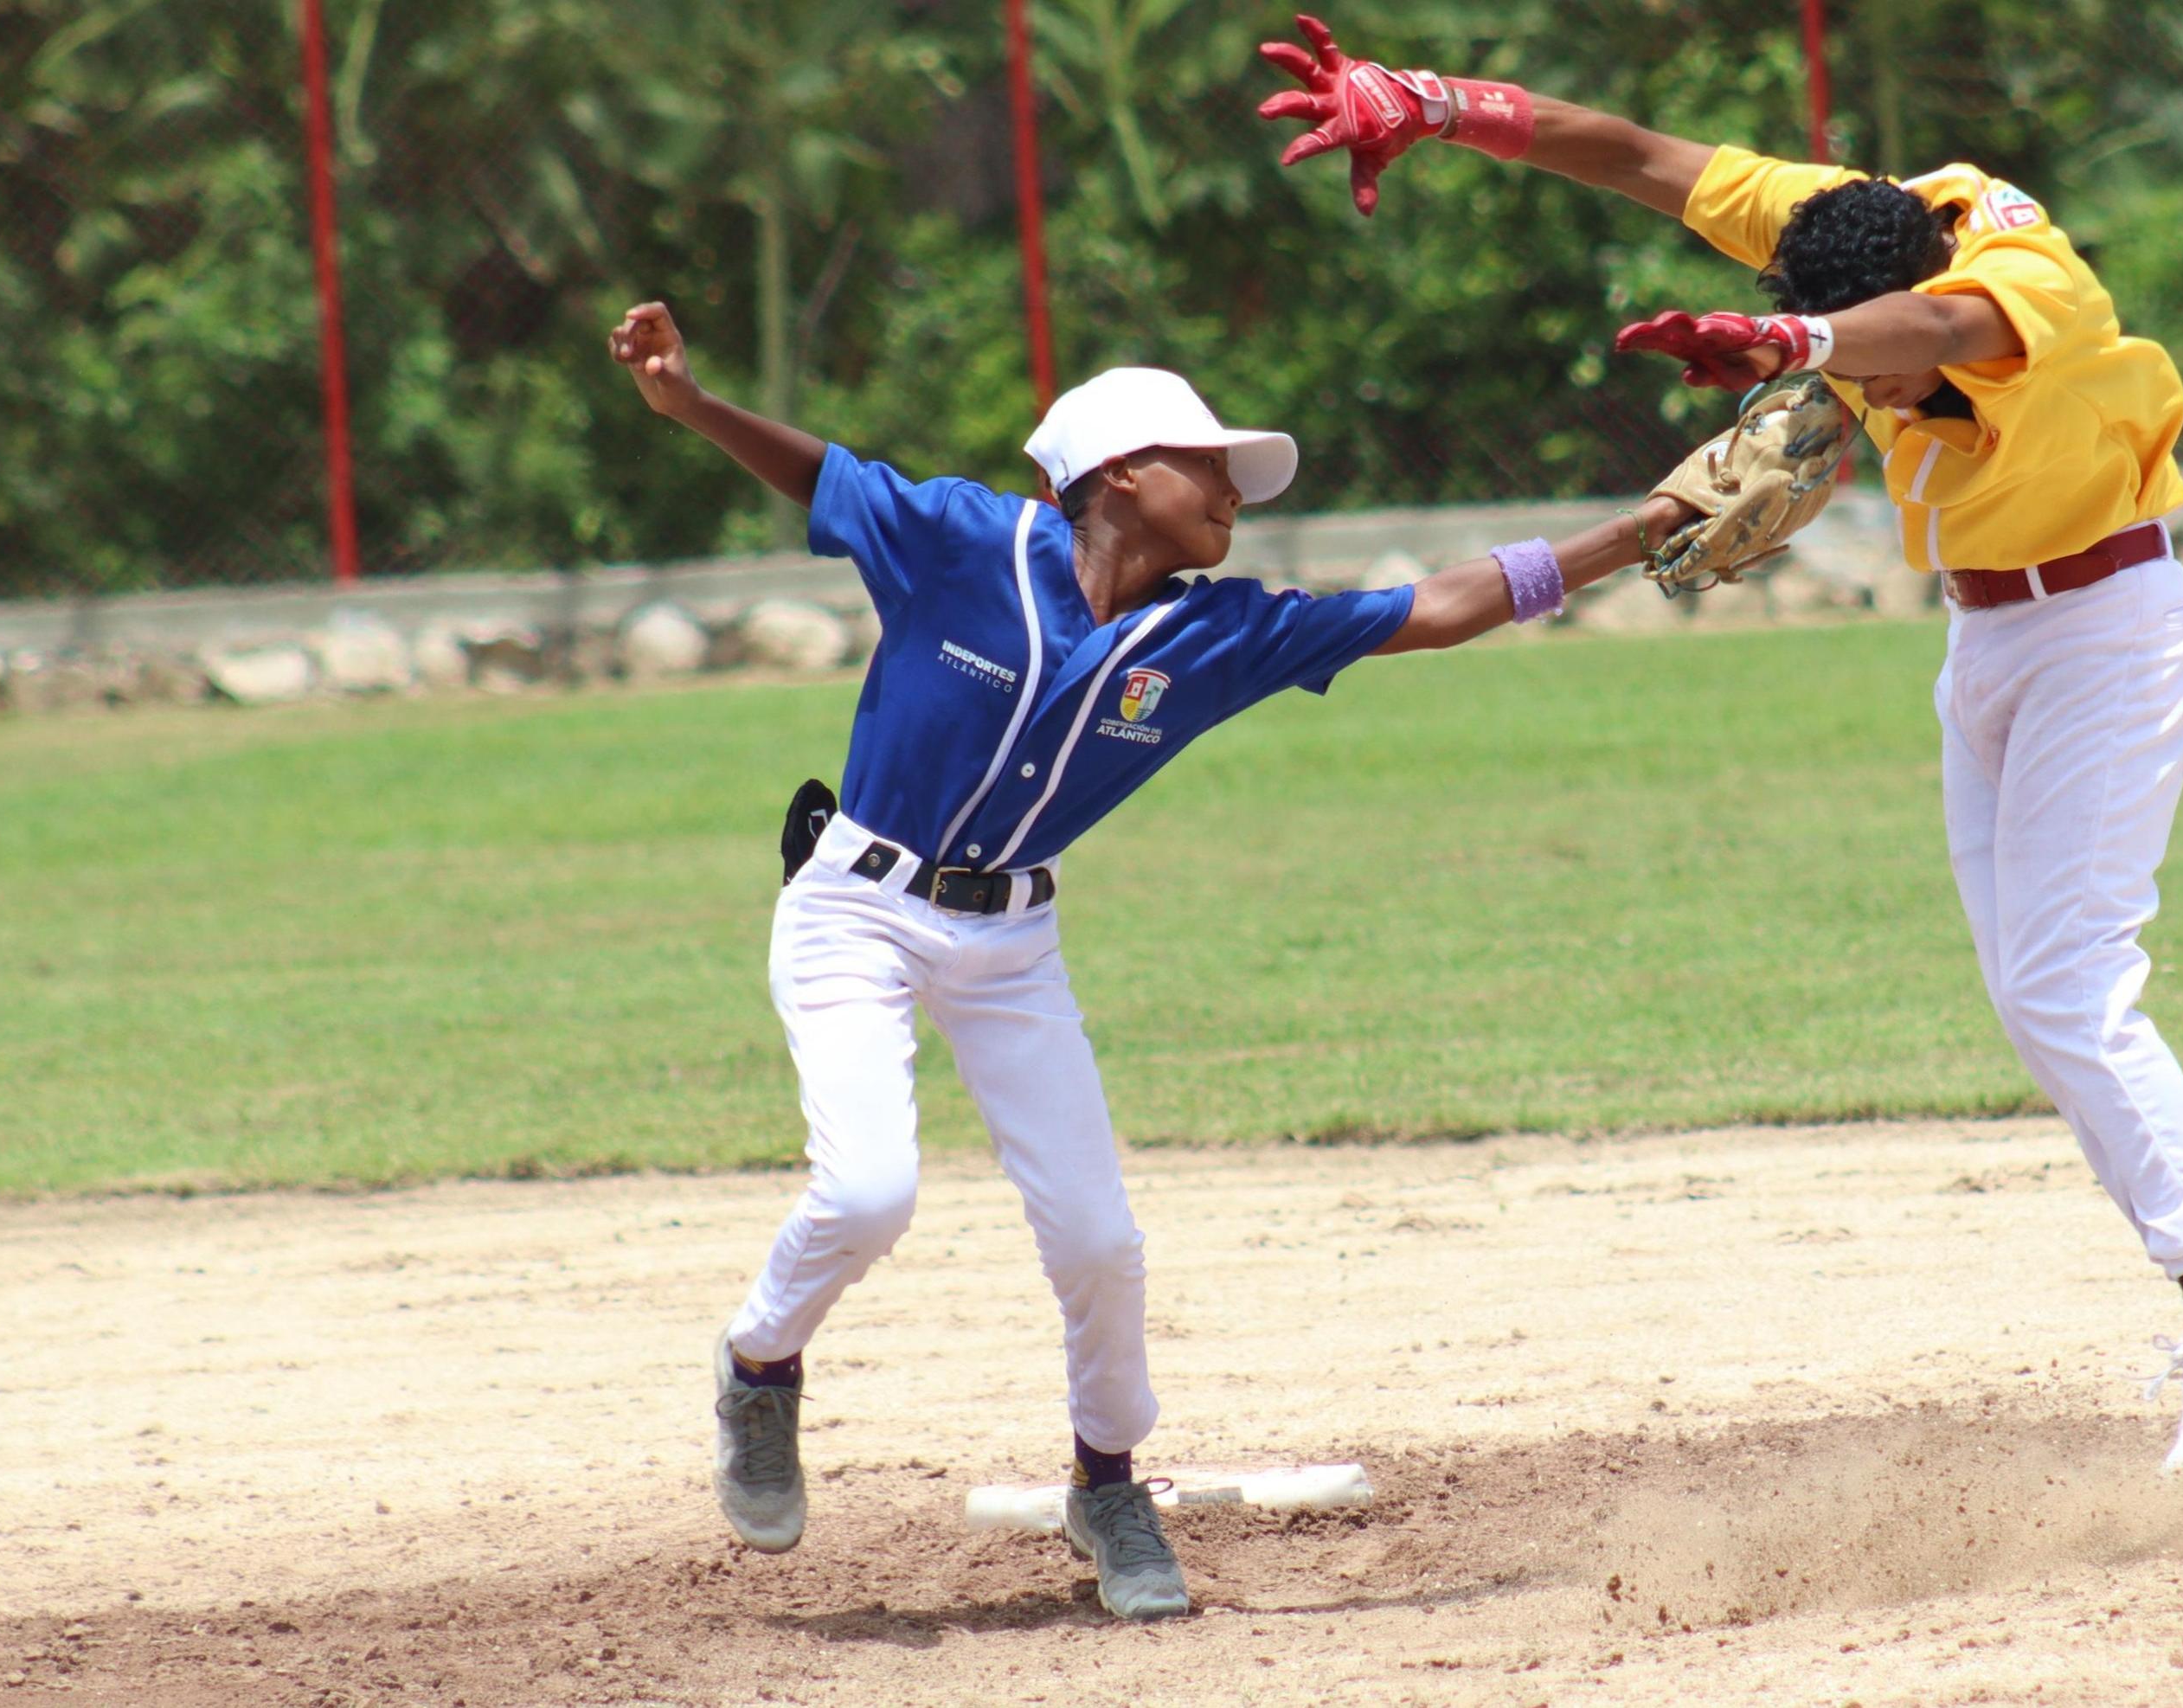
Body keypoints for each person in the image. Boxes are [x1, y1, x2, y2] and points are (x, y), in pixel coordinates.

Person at [1258, 15, 2183, 1474]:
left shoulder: (2018, 279)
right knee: (2037, 999)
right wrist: (1431, 103)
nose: (1863, 407)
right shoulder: (1830, 214)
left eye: (1859, 372)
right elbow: (1634, 155)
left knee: (2066, 980)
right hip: (1988, 640)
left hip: (2110, 628)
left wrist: (1795, 346)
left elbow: (1941, 335)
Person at [607, 300, 1699, 1615]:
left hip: (1009, 940)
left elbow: (1445, 607)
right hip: (857, 908)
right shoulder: (966, 541)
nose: (1234, 488)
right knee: (867, 1194)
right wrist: (688, 404)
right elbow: (821, 473)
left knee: (1098, 1240)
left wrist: (1640, 532)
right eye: (1208, 461)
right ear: (1117, 471)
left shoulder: (1219, 634)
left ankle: (1107, 1484)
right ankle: (760, 1365)